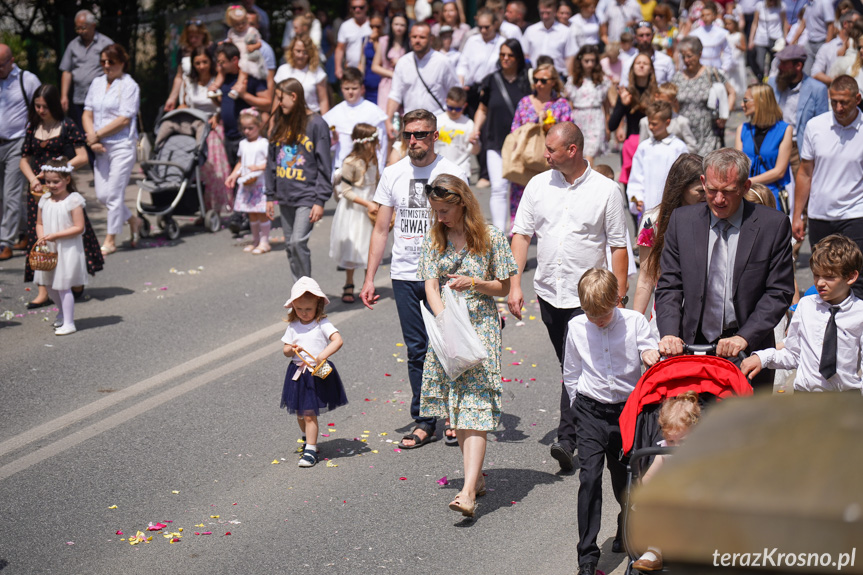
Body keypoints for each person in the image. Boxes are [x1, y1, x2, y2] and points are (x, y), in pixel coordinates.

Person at [509, 122, 630, 471]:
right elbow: (521, 236)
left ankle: (569, 438)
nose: (544, 154)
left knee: (575, 362)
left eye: (551, 149)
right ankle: (589, 424)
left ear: (572, 150)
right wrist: (515, 284)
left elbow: (618, 246)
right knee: (569, 364)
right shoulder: (537, 185)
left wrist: (617, 296)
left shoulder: (606, 191)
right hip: (549, 291)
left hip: (587, 297)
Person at [360, 109, 468, 450]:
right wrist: (369, 278)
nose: (413, 141)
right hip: (405, 273)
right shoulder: (393, 173)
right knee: (417, 349)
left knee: (450, 345)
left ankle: (454, 414)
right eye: (408, 134)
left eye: (420, 134)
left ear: (435, 136)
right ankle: (424, 420)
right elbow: (381, 228)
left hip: (445, 274)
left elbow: (469, 226)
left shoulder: (452, 171)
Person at [419, 174, 518, 517]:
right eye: (436, 210)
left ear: (462, 203)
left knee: (475, 405)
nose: (440, 216)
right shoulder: (435, 239)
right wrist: (447, 322)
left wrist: (473, 282)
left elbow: (504, 287)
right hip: (449, 329)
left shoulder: (491, 237)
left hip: (482, 328)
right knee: (458, 405)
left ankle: (467, 491)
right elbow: (431, 286)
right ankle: (475, 479)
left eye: (445, 209)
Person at [654, 148, 795, 389]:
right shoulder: (682, 221)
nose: (719, 200)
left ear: (745, 186)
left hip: (747, 349)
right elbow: (670, 285)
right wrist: (669, 333)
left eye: (728, 192)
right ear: (703, 182)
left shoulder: (772, 225)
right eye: (711, 190)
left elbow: (778, 292)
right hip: (693, 346)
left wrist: (744, 337)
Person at [562, 268, 659, 575]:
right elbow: (571, 372)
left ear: (618, 300)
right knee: (589, 478)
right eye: (592, 316)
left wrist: (649, 354)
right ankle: (587, 557)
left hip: (627, 412)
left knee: (627, 481)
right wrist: (579, 406)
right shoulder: (577, 326)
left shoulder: (634, 322)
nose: (598, 321)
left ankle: (626, 525)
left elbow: (648, 347)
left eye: (603, 314)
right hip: (591, 410)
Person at [742, 234, 863, 392]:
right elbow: (793, 353)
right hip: (806, 396)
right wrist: (763, 358)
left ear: (851, 276)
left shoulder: (859, 313)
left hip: (846, 399)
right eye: (816, 275)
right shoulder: (806, 306)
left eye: (829, 277)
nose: (820, 283)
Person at [19, 84, 100, 308]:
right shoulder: (32, 127)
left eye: (45, 106)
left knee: (68, 233)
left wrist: (55, 171)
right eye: (37, 106)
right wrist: (34, 178)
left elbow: (82, 156)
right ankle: (43, 289)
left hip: (62, 188)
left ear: (53, 105)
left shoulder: (67, 125)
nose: (41, 110)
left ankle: (73, 280)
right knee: (40, 237)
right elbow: (24, 159)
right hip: (39, 191)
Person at [793, 75, 863, 298]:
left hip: (855, 213)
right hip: (820, 214)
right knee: (824, 275)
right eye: (834, 101)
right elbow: (805, 172)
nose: (839, 107)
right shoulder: (816, 126)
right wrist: (797, 215)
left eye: (844, 102)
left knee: (855, 277)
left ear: (857, 99)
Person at [265, 78, 332, 282]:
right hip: (285, 196)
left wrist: (320, 201)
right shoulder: (281, 122)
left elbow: (324, 165)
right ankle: (298, 292)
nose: (278, 104)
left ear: (293, 96)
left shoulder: (317, 124)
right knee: (289, 246)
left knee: (297, 242)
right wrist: (269, 196)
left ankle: (307, 290)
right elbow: (271, 163)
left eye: (280, 99)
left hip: (307, 195)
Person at [82, 44, 142, 255]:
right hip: (99, 146)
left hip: (121, 145)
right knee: (102, 195)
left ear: (122, 63)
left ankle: (110, 239)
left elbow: (124, 119)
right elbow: (87, 113)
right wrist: (92, 139)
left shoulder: (129, 85)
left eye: (111, 62)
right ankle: (134, 220)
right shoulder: (97, 83)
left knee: (115, 194)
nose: (107, 66)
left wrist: (98, 135)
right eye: (103, 61)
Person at [280, 276, 347, 468]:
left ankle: (310, 449)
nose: (304, 313)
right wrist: (291, 349)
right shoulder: (293, 326)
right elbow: (285, 351)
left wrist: (322, 355)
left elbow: (337, 340)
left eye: (308, 309)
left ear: (317, 305)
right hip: (297, 373)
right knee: (300, 413)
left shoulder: (322, 323)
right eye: (299, 309)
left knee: (309, 413)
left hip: (315, 372)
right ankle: (306, 438)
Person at [631, 390, 702, 572]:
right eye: (671, 441)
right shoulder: (664, 453)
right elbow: (649, 476)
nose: (675, 448)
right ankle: (654, 552)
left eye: (683, 442)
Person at [633, 154, 704, 331]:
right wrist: (635, 324)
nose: (707, 196)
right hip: (665, 315)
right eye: (700, 191)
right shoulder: (652, 220)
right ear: (681, 188)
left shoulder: (714, 217)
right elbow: (646, 277)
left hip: (707, 316)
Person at [470, 39, 531, 230]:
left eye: (510, 55)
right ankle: (499, 235)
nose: (506, 58)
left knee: (521, 189)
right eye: (502, 54)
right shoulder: (491, 80)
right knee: (498, 188)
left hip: (521, 144)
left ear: (518, 57)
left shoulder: (528, 80)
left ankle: (521, 230)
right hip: (495, 142)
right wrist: (476, 128)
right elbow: (483, 108)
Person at [508, 63, 572, 229]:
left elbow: (568, 131)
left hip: (551, 159)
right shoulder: (524, 102)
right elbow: (515, 128)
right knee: (520, 194)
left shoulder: (561, 104)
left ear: (553, 81)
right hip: (526, 156)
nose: (538, 84)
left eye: (543, 80)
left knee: (550, 195)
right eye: (535, 80)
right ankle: (520, 230)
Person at [34, 157, 88, 336]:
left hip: (67, 248)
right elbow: (39, 223)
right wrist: (42, 237)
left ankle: (70, 322)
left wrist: (56, 235)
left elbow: (79, 227)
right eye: (48, 181)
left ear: (67, 180)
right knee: (49, 285)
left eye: (56, 181)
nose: (51, 185)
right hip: (49, 247)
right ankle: (62, 312)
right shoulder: (45, 200)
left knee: (63, 285)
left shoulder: (74, 200)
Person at [178, 45, 234, 217]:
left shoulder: (217, 80)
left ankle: (216, 207)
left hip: (213, 125)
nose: (201, 66)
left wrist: (217, 114)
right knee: (198, 169)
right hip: (195, 126)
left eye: (204, 62)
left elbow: (223, 105)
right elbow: (185, 104)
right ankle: (203, 207)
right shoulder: (189, 82)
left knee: (214, 166)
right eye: (197, 63)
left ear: (211, 62)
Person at [329, 123, 380, 304]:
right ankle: (349, 283)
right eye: (374, 141)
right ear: (364, 142)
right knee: (353, 246)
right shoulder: (350, 162)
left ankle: (369, 283)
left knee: (370, 246)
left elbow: (377, 180)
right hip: (355, 208)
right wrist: (367, 203)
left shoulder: (374, 159)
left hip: (372, 204)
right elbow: (346, 191)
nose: (377, 144)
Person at [0, 44, 40, 261]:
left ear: (11, 61)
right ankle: (24, 231)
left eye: (1, 65)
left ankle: (4, 242)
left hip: (18, 143)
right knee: (1, 196)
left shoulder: (27, 80)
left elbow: (43, 106)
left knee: (11, 193)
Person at [386, 22, 458, 138]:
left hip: (438, 125)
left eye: (422, 37)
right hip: (411, 126)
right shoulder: (403, 62)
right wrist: (388, 120)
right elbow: (395, 94)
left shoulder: (443, 62)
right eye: (414, 37)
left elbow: (455, 93)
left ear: (431, 39)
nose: (417, 40)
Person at [673, 36, 736, 157]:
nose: (686, 60)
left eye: (690, 56)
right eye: (683, 56)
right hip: (685, 135)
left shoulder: (711, 73)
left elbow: (732, 92)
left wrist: (725, 116)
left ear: (699, 54)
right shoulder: (677, 78)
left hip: (709, 133)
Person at [735, 83, 792, 210]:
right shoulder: (742, 129)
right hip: (746, 195)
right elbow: (738, 166)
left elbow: (779, 171)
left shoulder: (785, 130)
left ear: (760, 101)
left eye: (746, 100)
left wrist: (748, 182)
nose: (742, 105)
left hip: (771, 196)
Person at [627, 100, 689, 216]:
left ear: (667, 123)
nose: (650, 127)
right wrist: (636, 199)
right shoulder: (644, 147)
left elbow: (684, 178)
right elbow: (635, 179)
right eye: (649, 123)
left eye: (654, 124)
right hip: (648, 209)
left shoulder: (678, 147)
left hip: (672, 210)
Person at [215, 43, 271, 167]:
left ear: (234, 60)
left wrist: (245, 95)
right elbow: (225, 104)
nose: (220, 66)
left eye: (223, 62)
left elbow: (267, 103)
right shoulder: (224, 77)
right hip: (229, 137)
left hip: (248, 136)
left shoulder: (252, 77)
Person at [323, 67, 388, 171]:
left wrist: (379, 171)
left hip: (366, 168)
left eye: (354, 88)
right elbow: (327, 146)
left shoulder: (374, 113)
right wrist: (333, 140)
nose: (350, 92)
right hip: (341, 167)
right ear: (341, 88)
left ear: (362, 88)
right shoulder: (333, 114)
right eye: (346, 88)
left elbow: (381, 146)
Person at [768, 44, 829, 156]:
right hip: (774, 145)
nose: (779, 67)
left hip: (798, 148)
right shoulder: (773, 84)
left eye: (784, 63)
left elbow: (822, 126)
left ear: (798, 66)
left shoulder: (817, 89)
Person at [59, 10, 114, 130]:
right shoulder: (73, 45)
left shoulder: (106, 44)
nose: (80, 32)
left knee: (100, 130)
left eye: (83, 28)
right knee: (83, 132)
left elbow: (114, 69)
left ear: (93, 25)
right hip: (80, 98)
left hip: (101, 98)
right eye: (77, 28)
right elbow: (67, 71)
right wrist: (64, 96)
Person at [608, 53, 657, 184]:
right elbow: (611, 125)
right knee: (631, 190)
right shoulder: (626, 93)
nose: (641, 65)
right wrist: (622, 105)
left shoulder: (657, 93)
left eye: (645, 63)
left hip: (653, 145)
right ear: (632, 69)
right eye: (638, 63)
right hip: (631, 147)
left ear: (651, 69)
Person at [226, 109, 270, 255]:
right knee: (251, 213)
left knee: (261, 212)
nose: (247, 131)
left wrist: (257, 167)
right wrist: (233, 175)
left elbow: (270, 162)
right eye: (244, 128)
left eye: (250, 128)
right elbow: (240, 162)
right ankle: (256, 240)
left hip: (259, 183)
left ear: (258, 127)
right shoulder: (243, 144)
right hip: (246, 183)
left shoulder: (263, 143)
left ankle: (265, 241)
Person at [566, 45, 611, 164]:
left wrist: (607, 126)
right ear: (580, 61)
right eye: (586, 61)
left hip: (596, 117)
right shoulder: (573, 80)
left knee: (591, 153)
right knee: (579, 153)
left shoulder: (602, 80)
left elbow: (606, 104)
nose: (590, 64)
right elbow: (570, 103)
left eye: (593, 61)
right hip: (578, 117)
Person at [457, 9, 505, 109]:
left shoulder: (502, 42)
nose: (483, 30)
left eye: (487, 27)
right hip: (473, 91)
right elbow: (463, 65)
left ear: (495, 25)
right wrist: (461, 85)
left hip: (493, 91)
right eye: (480, 27)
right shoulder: (472, 41)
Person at [163, 19, 212, 112]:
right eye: (190, 37)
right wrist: (172, 98)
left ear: (203, 35)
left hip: (208, 94)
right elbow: (179, 76)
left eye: (196, 37)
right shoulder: (183, 51)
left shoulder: (211, 49)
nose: (193, 40)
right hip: (188, 95)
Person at [274, 35, 329, 114]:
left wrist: (324, 122)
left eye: (305, 52)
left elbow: (323, 100)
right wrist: (272, 123)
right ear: (292, 50)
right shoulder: (283, 70)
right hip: (286, 115)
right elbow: (276, 99)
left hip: (310, 116)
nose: (301, 55)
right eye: (298, 51)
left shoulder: (318, 72)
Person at [637, 83, 698, 153]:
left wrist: (675, 152)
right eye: (661, 102)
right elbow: (641, 148)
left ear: (674, 102)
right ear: (656, 97)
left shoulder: (681, 122)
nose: (664, 106)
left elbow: (692, 147)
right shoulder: (645, 122)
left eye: (667, 103)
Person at [523, 0, 577, 77]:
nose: (545, 16)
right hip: (535, 76)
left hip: (557, 76)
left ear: (555, 12)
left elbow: (570, 57)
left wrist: (570, 79)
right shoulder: (531, 30)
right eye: (542, 13)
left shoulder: (565, 32)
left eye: (548, 13)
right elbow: (525, 54)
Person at [434, 87, 479, 177]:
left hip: (461, 171)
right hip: (439, 170)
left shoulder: (469, 124)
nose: (454, 111)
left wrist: (475, 143)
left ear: (465, 106)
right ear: (446, 101)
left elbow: (475, 152)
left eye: (458, 109)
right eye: (450, 108)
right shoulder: (437, 121)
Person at [619, 20, 676, 86]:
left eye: (648, 35)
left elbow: (672, 86)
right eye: (641, 35)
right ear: (635, 37)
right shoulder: (628, 63)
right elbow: (624, 87)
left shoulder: (666, 60)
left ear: (653, 35)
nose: (645, 39)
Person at [371, 13, 409, 111]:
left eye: (402, 25)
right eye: (396, 24)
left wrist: (401, 63)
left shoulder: (410, 44)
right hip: (387, 84)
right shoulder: (384, 41)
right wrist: (393, 74)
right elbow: (375, 66)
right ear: (391, 25)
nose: (399, 28)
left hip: (404, 84)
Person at [690, 1, 734, 73]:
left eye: (708, 15)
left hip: (717, 65)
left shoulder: (720, 32)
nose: (705, 18)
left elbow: (727, 52)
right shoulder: (696, 33)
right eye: (703, 15)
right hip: (701, 66)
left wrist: (725, 68)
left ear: (713, 16)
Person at [749, 0, 787, 80]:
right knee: (760, 63)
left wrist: (785, 39)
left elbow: (785, 23)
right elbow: (755, 23)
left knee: (774, 64)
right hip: (761, 37)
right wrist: (751, 40)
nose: (772, 2)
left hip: (776, 38)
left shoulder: (781, 6)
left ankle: (771, 81)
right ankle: (761, 80)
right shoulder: (760, 5)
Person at [335, 0, 371, 80]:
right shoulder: (345, 26)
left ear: (367, 8)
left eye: (361, 7)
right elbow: (340, 48)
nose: (357, 10)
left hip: (370, 70)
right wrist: (338, 67)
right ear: (350, 9)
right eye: (354, 8)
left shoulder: (373, 25)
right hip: (351, 70)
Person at [803, 0, 835, 74]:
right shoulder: (808, 5)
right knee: (806, 72)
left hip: (822, 42)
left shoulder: (825, 3)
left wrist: (827, 46)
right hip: (810, 42)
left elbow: (830, 25)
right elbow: (803, 24)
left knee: (820, 72)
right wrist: (791, 42)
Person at [359, 13, 384, 105]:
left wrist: (375, 41)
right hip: (367, 83)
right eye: (372, 26)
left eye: (378, 26)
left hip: (381, 84)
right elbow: (361, 61)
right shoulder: (365, 40)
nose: (375, 29)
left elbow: (381, 59)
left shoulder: (385, 40)